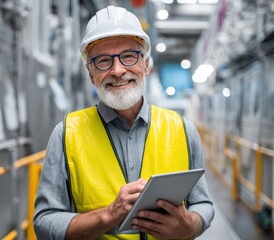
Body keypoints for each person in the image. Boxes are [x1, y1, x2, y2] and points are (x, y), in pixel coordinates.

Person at [33, 5, 214, 240]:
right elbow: (44, 222)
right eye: (104, 61)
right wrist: (108, 215)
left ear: (146, 65)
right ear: (90, 74)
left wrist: (190, 225)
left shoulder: (182, 129)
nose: (117, 70)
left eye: (128, 56)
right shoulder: (67, 134)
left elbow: (203, 205)